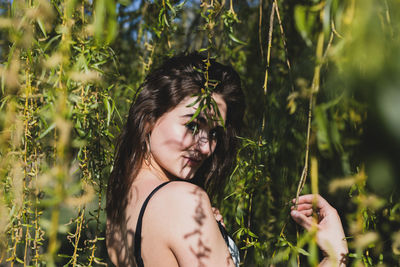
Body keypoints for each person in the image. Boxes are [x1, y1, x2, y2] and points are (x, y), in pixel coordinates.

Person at [106, 53, 348, 267]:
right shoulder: (182, 201)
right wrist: (336, 256)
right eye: (192, 125)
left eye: (213, 133)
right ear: (149, 118)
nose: (205, 147)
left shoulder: (121, 206)